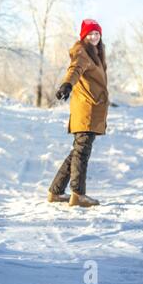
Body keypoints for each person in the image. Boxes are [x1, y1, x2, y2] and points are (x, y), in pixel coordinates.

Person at [48, 19, 109, 208]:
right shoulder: (82, 52)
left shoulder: (96, 53)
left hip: (92, 107)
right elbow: (75, 69)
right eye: (90, 34)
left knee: (78, 151)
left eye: (96, 33)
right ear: (84, 36)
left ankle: (56, 192)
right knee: (82, 152)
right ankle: (78, 195)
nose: (94, 37)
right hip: (87, 108)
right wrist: (67, 85)